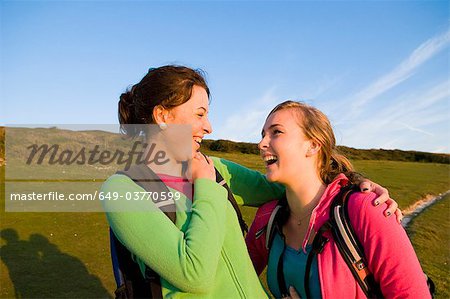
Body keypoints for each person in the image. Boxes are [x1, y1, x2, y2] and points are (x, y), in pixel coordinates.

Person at [102, 65, 399, 298]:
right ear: (162, 115)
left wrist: (354, 187)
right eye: (200, 114)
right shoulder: (122, 190)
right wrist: (206, 188)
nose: (208, 126)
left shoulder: (214, 167)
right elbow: (193, 273)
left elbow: (296, 184)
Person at [245, 101, 430, 298]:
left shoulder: (366, 209)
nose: (262, 143)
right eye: (263, 134)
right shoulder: (268, 217)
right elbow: (231, 279)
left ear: (313, 145)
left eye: (276, 132)